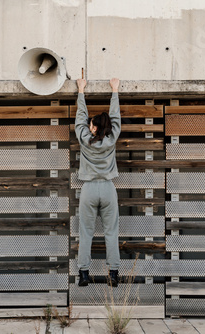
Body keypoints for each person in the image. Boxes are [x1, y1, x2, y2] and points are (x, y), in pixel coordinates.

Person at [75, 77, 121, 287]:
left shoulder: (85, 138)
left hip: (89, 189)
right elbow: (115, 119)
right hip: (108, 188)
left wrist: (81, 91)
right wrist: (114, 91)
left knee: (86, 232)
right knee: (111, 232)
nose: (87, 124)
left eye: (90, 124)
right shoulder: (111, 139)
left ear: (93, 128)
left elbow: (80, 118)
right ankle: (113, 273)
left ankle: (84, 273)